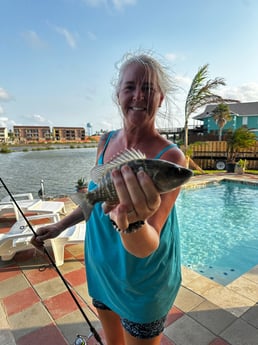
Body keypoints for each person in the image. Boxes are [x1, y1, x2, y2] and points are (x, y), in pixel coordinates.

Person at [31, 51, 186, 345]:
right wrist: (60, 226)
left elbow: (148, 242)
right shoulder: (105, 141)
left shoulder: (171, 159)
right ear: (118, 94)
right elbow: (95, 198)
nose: (138, 95)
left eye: (148, 88)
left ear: (161, 98)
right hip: (101, 266)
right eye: (130, 87)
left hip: (143, 281)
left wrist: (133, 222)